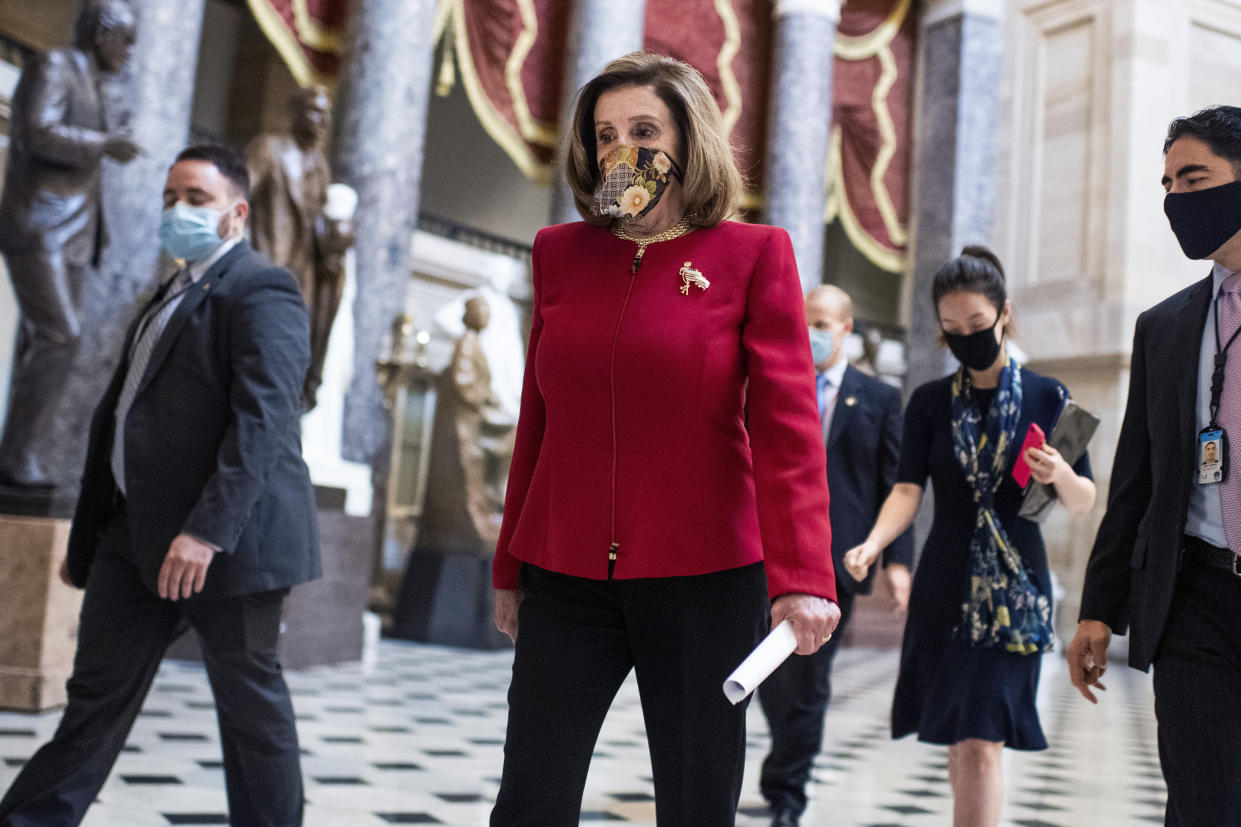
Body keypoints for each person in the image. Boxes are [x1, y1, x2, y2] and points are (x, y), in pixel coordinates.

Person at [489, 51, 840, 826]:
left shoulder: (752, 255)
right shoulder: (559, 253)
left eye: (644, 128)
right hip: (564, 567)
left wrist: (802, 575)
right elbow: (536, 419)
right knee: (529, 799)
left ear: (688, 140)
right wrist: (509, 562)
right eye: (606, 132)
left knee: (693, 801)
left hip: (703, 575)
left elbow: (785, 427)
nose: (624, 147)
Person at [0, 145, 319, 827]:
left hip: (226, 544)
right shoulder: (170, 290)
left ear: (235, 214)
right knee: (93, 701)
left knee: (248, 707)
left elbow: (262, 422)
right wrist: (90, 533)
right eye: (170, 197)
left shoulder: (261, 287)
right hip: (131, 535)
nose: (177, 210)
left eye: (196, 199)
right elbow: (125, 417)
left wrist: (205, 530)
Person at [844, 246, 1096, 827]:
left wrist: (1059, 473)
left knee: (983, 744)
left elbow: (1084, 501)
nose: (966, 338)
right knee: (963, 741)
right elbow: (908, 489)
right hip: (946, 584)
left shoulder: (1048, 395)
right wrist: (874, 543)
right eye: (952, 330)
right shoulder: (930, 403)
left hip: (1014, 590)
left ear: (1004, 313)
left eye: (977, 326)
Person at [1067, 105, 1241, 825]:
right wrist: (1098, 608)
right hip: (1196, 593)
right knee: (1201, 803)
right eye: (1167, 183)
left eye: (1193, 177)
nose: (1176, 199)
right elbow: (1134, 479)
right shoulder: (1164, 326)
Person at [755, 285, 913, 827]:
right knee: (763, 675)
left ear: (845, 328)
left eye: (822, 322)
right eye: (804, 322)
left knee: (807, 679)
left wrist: (897, 563)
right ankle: (785, 761)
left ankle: (787, 793)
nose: (811, 333)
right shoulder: (773, 386)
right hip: (763, 553)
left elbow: (898, 485)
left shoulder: (879, 398)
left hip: (835, 561)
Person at [0, 0, 141, 488]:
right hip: (40, 226)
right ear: (103, 31)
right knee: (62, 335)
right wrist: (103, 144)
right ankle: (18, 457)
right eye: (127, 39)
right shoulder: (54, 66)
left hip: (76, 234)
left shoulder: (96, 85)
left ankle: (18, 455)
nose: (129, 52)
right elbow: (35, 131)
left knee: (40, 342)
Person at [246, 86, 353, 408]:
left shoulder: (319, 165)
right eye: (314, 111)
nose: (321, 121)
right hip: (267, 264)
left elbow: (317, 219)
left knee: (291, 360)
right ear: (296, 112)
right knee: (257, 355)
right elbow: (240, 202)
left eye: (326, 115)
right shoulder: (268, 149)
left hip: (301, 277)